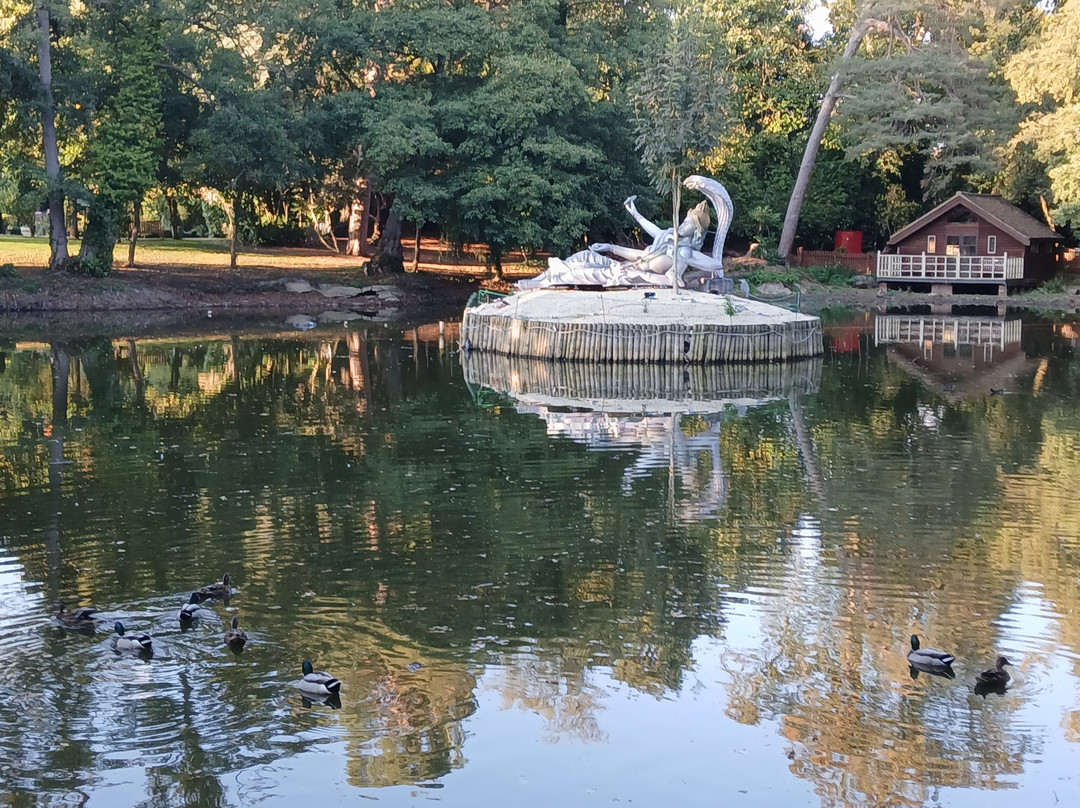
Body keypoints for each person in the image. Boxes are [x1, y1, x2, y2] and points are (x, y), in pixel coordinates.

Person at [516, 197, 723, 290]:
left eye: (688, 223)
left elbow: (713, 266)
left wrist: (654, 276)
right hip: (625, 267)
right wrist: (611, 246)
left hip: (632, 275)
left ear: (696, 230)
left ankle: (540, 284)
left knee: (583, 272)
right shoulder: (667, 238)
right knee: (583, 257)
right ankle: (539, 278)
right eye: (684, 220)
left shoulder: (683, 252)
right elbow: (645, 240)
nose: (683, 224)